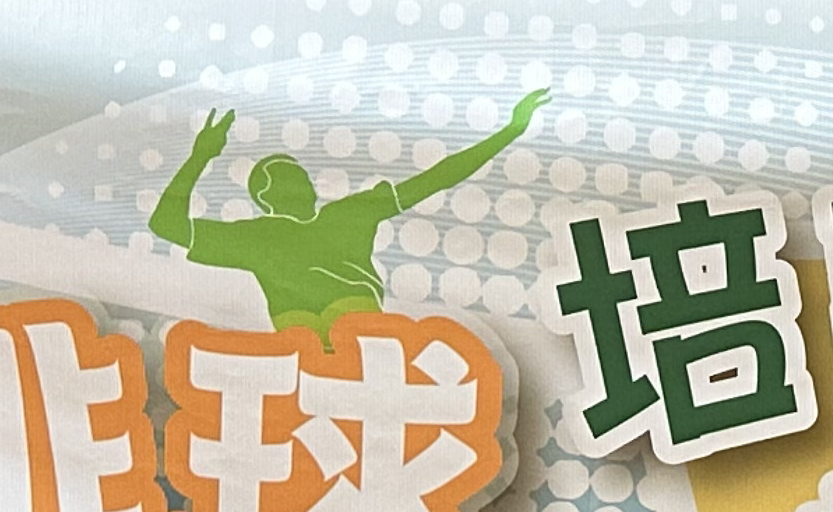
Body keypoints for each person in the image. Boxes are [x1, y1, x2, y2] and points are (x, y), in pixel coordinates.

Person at [149, 90, 549, 331]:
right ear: (265, 198)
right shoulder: (258, 236)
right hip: (304, 345)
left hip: (359, 336)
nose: (303, 185)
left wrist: (509, 131)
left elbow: (436, 179)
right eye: (288, 180)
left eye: (301, 177)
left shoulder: (347, 214)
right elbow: (165, 224)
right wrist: (200, 155)